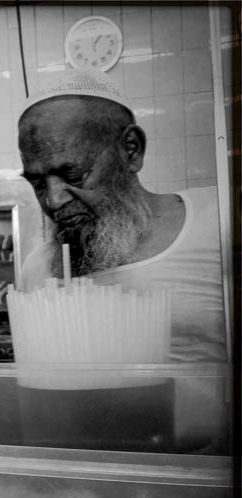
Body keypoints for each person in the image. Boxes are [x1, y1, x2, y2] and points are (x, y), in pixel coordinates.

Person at [17, 69, 227, 363]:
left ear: (131, 150)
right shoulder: (37, 271)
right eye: (37, 183)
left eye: (73, 174)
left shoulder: (218, 224)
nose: (53, 201)